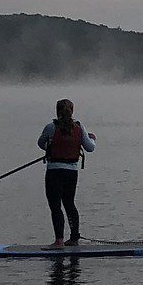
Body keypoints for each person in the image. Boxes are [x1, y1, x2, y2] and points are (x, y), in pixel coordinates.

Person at [37, 98, 96, 247]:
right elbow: (90, 148)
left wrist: (49, 149)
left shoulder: (50, 127)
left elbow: (40, 143)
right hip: (71, 172)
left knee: (55, 205)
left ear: (57, 112)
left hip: (54, 171)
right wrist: (92, 139)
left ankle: (59, 240)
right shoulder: (79, 127)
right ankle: (74, 238)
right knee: (69, 203)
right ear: (72, 111)